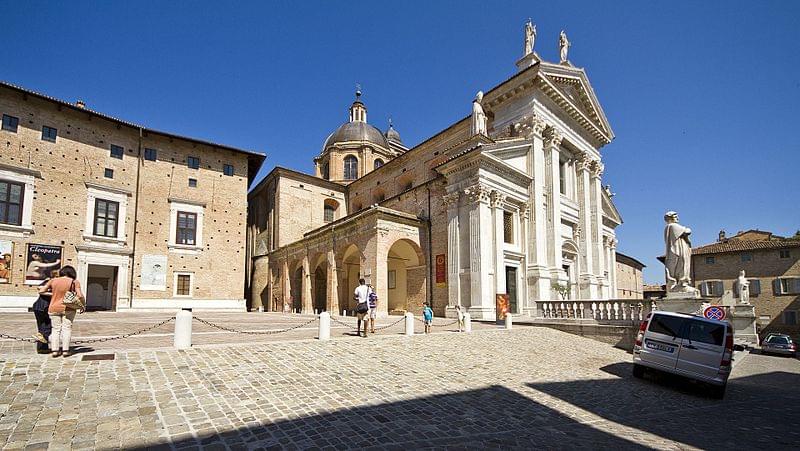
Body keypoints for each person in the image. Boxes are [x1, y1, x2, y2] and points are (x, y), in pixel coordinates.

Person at [39, 265, 84, 357]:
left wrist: (52, 294)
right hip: (68, 308)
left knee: (55, 329)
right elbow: (80, 295)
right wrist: (83, 305)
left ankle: (55, 351)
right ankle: (65, 351)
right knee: (67, 329)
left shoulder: (53, 280)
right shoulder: (74, 282)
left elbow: (41, 291)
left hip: (54, 307)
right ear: (72, 273)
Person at [32, 279, 52, 354]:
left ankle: (42, 348)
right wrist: (52, 293)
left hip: (39, 307)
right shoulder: (50, 282)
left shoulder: (49, 282)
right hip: (44, 308)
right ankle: (42, 347)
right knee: (48, 327)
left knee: (42, 328)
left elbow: (40, 288)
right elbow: (39, 288)